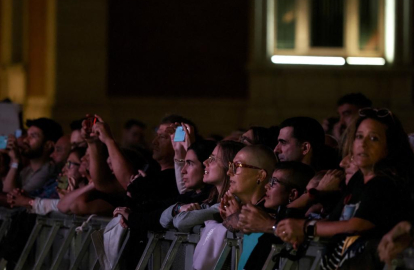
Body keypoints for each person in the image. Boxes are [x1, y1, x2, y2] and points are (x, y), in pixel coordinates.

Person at [276, 108, 414, 270]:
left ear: (389, 147)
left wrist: (306, 228)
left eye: (373, 138)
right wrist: (297, 229)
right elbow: (335, 221)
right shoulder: (358, 181)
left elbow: (358, 224)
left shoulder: (386, 182)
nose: (363, 144)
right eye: (359, 136)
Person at [238, 161, 315, 270]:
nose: (266, 186)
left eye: (274, 182)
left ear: (292, 194)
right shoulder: (274, 224)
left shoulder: (284, 230)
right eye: (269, 181)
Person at [160, 140, 244, 232]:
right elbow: (163, 220)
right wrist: (178, 208)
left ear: (229, 166)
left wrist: (180, 213)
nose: (205, 162)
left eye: (213, 159)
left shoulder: (232, 203)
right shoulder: (211, 200)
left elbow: (181, 221)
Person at [3, 118, 63, 196]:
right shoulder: (27, 170)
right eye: (27, 135)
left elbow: (11, 198)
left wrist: (15, 161)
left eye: (33, 136)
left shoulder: (49, 170)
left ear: (48, 145)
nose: (25, 140)